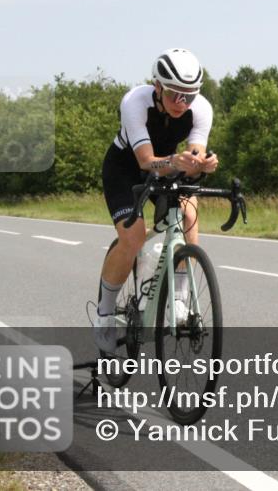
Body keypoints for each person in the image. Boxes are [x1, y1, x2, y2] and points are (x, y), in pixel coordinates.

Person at [93, 48, 218, 353]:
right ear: (158, 86)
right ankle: (105, 315)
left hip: (168, 166)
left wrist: (202, 164)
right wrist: (178, 161)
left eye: (188, 96)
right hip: (126, 169)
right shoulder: (135, 102)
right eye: (175, 93)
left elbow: (195, 152)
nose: (181, 103)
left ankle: (180, 296)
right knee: (133, 237)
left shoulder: (200, 109)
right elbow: (146, 160)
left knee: (188, 217)